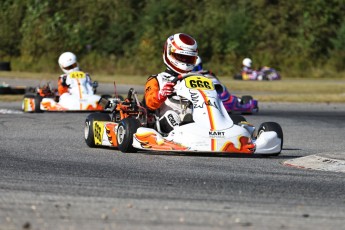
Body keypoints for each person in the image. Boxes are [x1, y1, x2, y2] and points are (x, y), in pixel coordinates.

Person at [144, 33, 198, 133]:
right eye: (181, 57)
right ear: (169, 52)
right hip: (164, 120)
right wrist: (161, 95)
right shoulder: (157, 79)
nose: (185, 62)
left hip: (192, 118)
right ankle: (181, 133)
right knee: (171, 115)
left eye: (188, 58)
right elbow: (149, 103)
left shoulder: (195, 79)